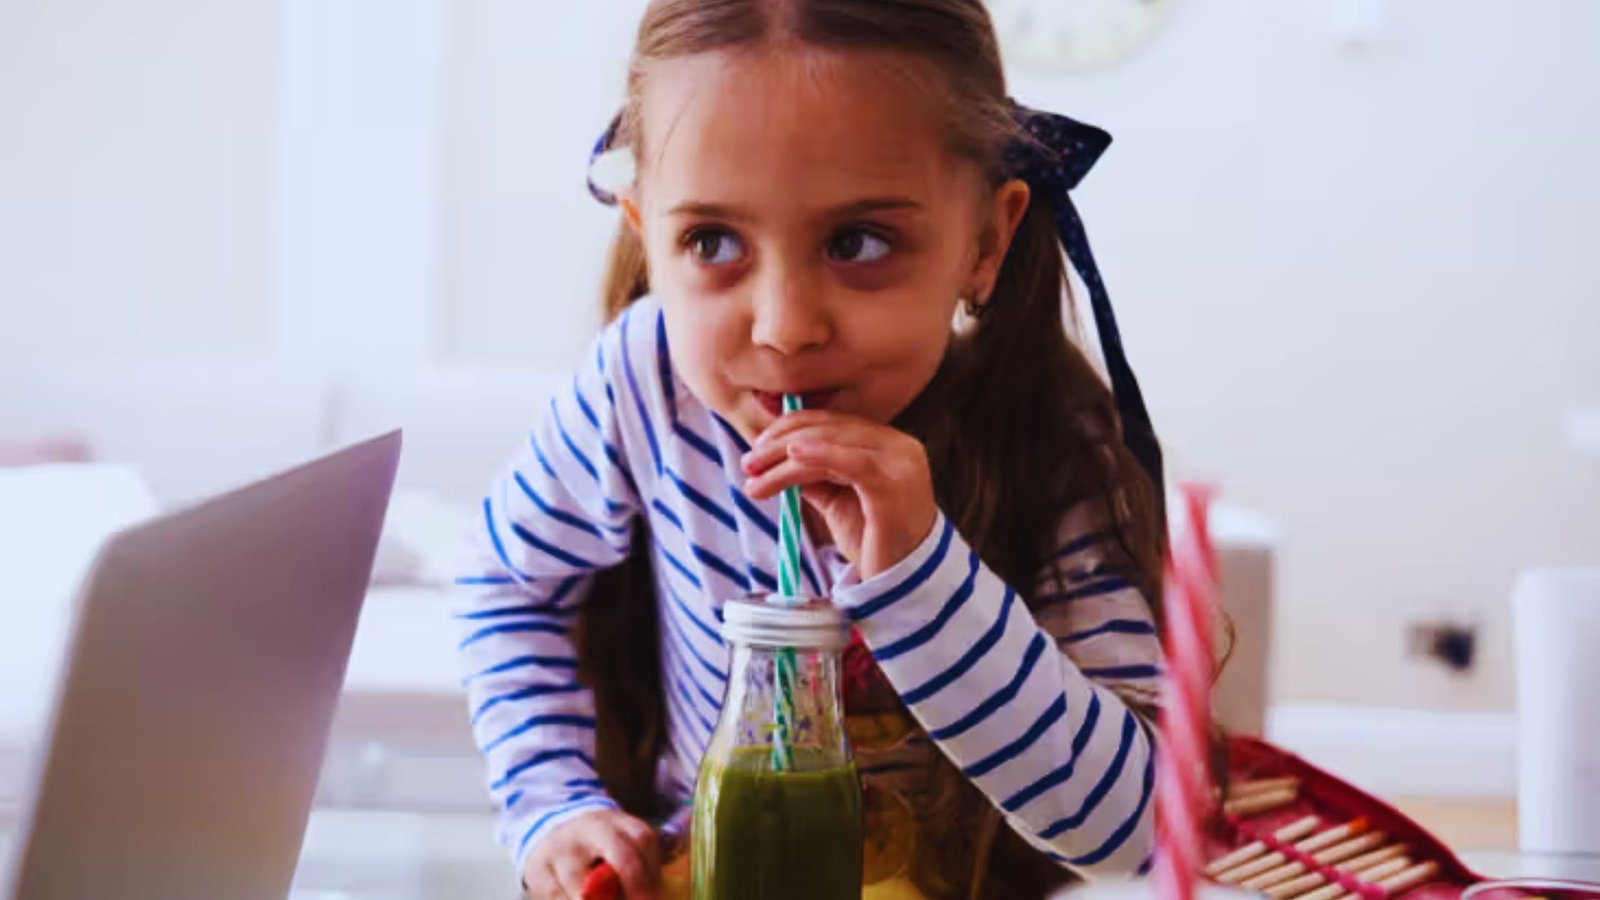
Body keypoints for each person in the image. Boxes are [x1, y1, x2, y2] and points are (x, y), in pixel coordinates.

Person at [453, 1, 1170, 897]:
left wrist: (921, 574)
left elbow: (1137, 832)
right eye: (711, 241)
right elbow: (505, 589)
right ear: (646, 234)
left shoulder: (1053, 436)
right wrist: (552, 802)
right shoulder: (641, 384)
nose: (785, 329)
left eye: (858, 242)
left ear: (985, 239)